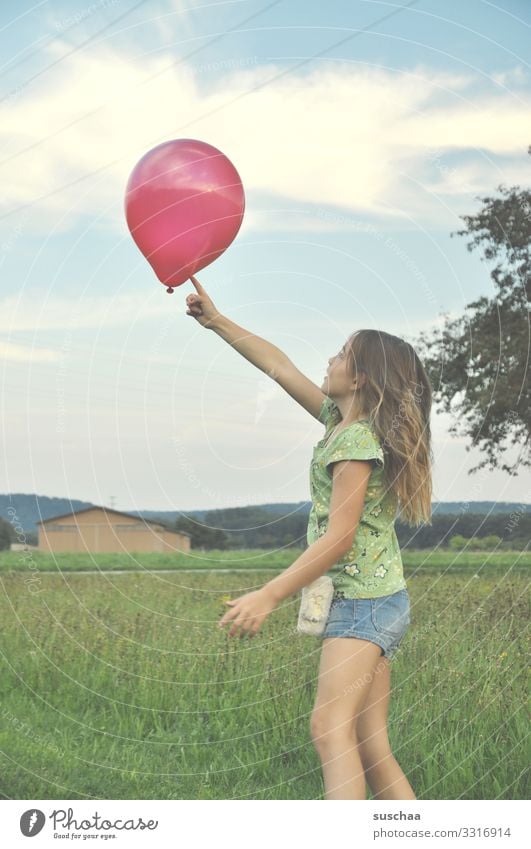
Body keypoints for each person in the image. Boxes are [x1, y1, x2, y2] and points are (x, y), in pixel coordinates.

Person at [184, 274, 433, 801]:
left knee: (328, 731)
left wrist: (269, 593)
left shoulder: (357, 441)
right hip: (378, 601)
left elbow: (340, 539)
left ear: (362, 378)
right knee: (369, 743)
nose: (330, 359)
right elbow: (278, 367)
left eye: (342, 354)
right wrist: (217, 320)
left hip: (363, 606)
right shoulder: (339, 423)